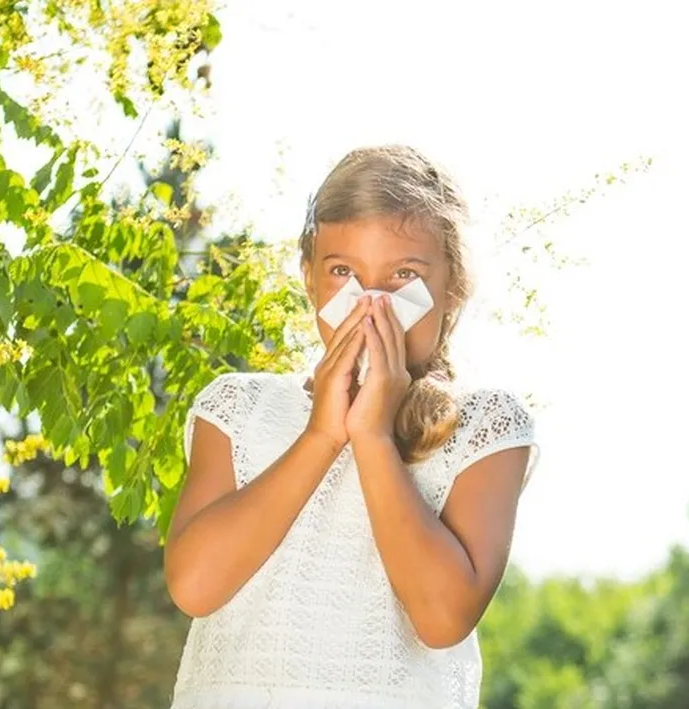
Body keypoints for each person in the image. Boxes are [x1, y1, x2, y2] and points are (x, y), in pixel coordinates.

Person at [163, 144, 540, 708]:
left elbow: (442, 619)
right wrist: (322, 435)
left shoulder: (484, 425)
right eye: (344, 273)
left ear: (451, 288)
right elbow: (194, 586)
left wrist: (372, 436)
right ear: (311, 282)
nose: (371, 305)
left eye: (404, 276)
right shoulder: (238, 409)